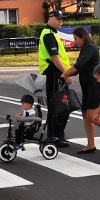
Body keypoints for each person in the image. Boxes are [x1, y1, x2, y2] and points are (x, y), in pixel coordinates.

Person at [61, 26, 100, 154]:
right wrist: (67, 75)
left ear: (83, 37)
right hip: (86, 87)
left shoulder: (91, 48)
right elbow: (79, 69)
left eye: (76, 38)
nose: (75, 41)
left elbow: (79, 65)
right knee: (85, 115)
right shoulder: (84, 48)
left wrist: (65, 74)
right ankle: (91, 144)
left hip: (94, 86)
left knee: (92, 116)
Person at [38, 10, 72, 148]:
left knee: (63, 105)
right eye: (58, 18)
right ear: (50, 18)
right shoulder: (48, 35)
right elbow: (54, 57)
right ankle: (53, 137)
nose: (61, 21)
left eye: (62, 19)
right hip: (53, 72)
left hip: (56, 73)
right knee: (57, 105)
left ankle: (57, 134)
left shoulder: (51, 34)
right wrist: (65, 74)